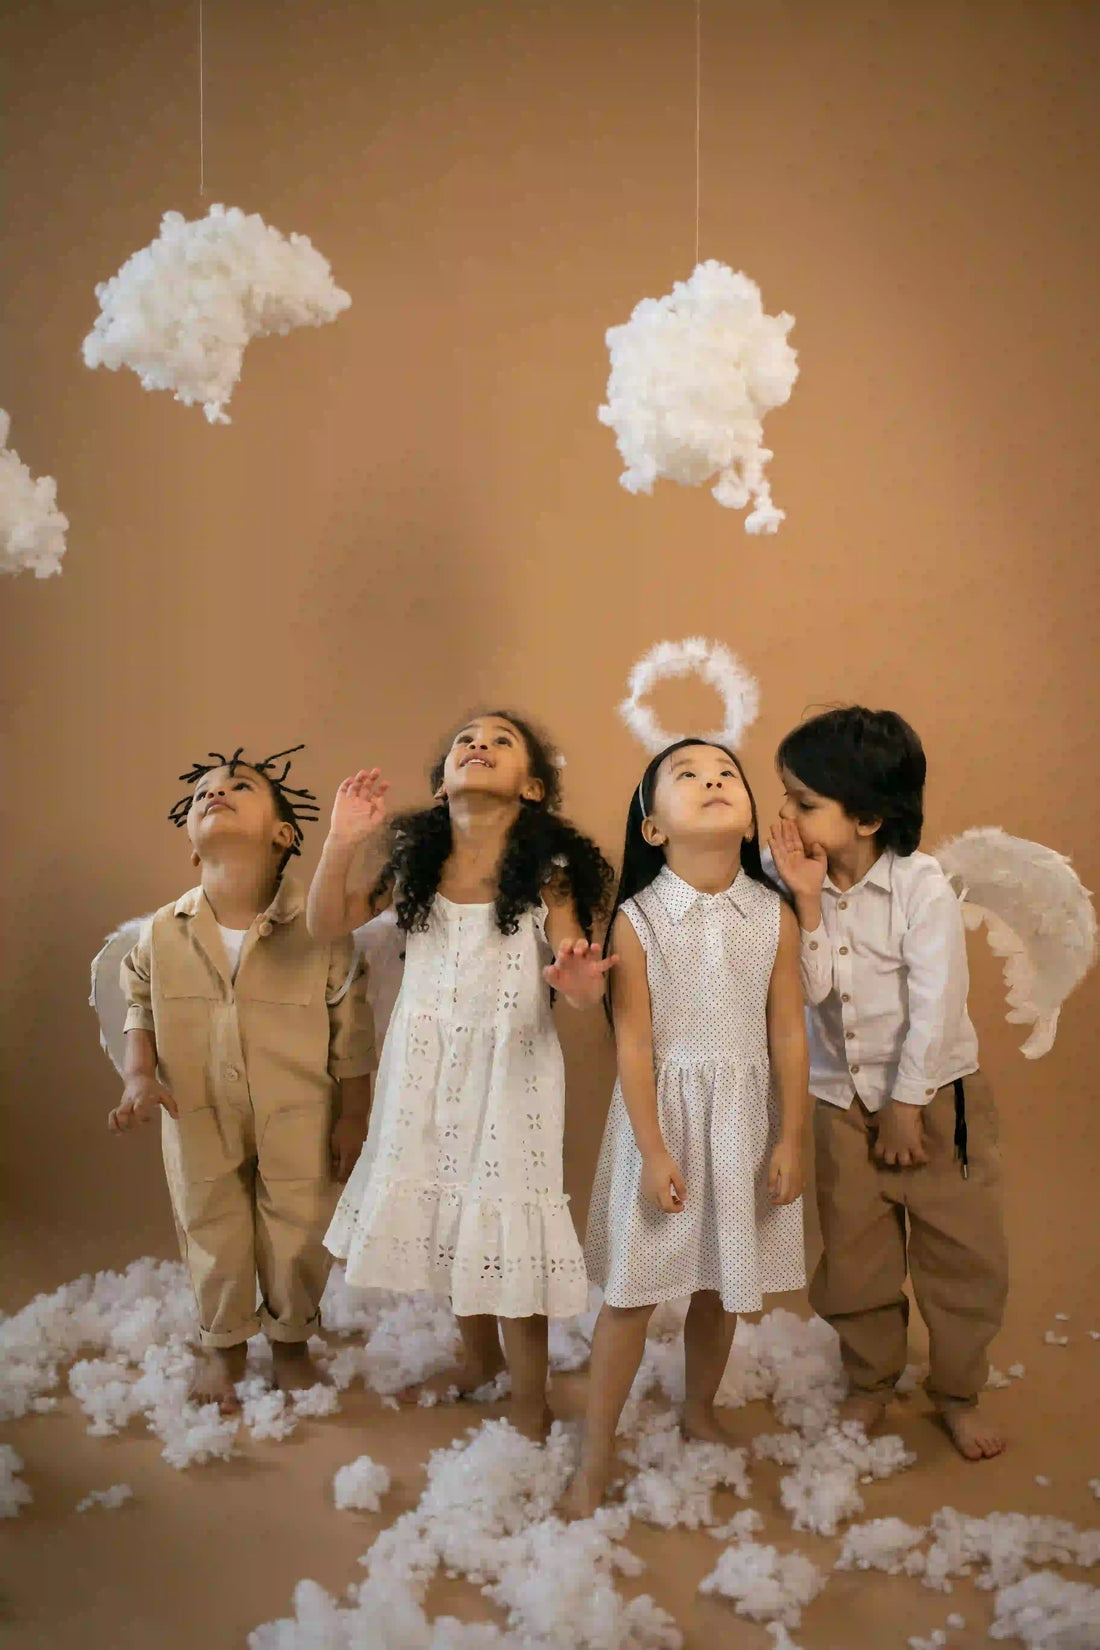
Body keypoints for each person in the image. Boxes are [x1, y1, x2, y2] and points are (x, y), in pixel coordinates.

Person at [308, 711, 616, 1440]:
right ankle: (479, 1360)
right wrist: (342, 841)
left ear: (532, 788)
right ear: (442, 786)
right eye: (465, 741)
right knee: (454, 1215)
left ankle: (529, 1398)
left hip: (510, 1069)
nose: (477, 745)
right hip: (424, 1065)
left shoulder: (548, 873)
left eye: (501, 741)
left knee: (506, 1224)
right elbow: (327, 923)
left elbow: (580, 978)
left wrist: (575, 977)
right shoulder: (418, 864)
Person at [567, 737, 807, 1515]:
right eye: (687, 776)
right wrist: (653, 1148)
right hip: (663, 1121)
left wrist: (793, 1135)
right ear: (653, 830)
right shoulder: (638, 921)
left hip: (743, 1120)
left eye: (726, 775)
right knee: (632, 1296)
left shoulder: (773, 915)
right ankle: (596, 1450)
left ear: (747, 817)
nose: (711, 781)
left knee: (718, 1285)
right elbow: (632, 1042)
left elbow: (789, 1035)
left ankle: (698, 1408)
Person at [770, 706, 1008, 1460]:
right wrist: (807, 900)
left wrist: (909, 1105)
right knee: (856, 1254)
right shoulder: (794, 882)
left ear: (867, 816)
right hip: (842, 1099)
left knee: (959, 1254)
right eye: (787, 795)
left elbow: (937, 1002)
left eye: (804, 802)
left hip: (935, 1097)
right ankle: (871, 1383)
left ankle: (959, 1392)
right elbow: (806, 994)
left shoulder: (921, 887)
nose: (786, 815)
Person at [112, 745, 374, 1412]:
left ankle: (291, 1342)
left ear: (283, 834)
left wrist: (352, 1115)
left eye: (239, 785)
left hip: (299, 1110)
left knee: (299, 1223)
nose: (215, 792)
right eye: (202, 790)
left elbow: (352, 1024)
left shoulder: (319, 931)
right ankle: (222, 1346)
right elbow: (138, 1004)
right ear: (190, 839)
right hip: (194, 1106)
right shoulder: (162, 933)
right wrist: (139, 1074)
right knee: (209, 1221)